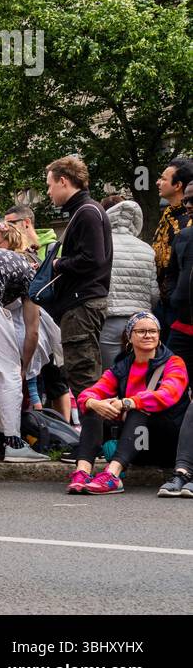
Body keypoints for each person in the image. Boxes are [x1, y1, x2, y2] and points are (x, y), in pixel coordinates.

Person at [68, 313, 189, 495]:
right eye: (141, 331)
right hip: (136, 445)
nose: (148, 335)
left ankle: (112, 475)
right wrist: (94, 403)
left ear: (159, 335)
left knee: (139, 409)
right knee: (92, 408)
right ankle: (82, 472)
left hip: (168, 442)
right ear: (129, 336)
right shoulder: (122, 366)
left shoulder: (174, 363)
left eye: (153, 331)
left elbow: (168, 395)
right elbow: (88, 393)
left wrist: (128, 402)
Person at [43, 156, 114, 406]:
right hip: (82, 302)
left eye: (50, 185)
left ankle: (92, 442)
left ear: (64, 181)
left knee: (83, 374)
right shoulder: (86, 211)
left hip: (81, 304)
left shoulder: (86, 212)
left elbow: (92, 259)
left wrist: (57, 264)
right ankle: (93, 439)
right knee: (84, 372)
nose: (49, 191)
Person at [0, 238, 51, 462]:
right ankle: (13, 443)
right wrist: (24, 368)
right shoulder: (31, 276)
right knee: (8, 374)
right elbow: (33, 331)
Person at [100, 198, 158, 370]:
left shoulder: (100, 245)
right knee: (139, 374)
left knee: (110, 375)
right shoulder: (147, 249)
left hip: (108, 320)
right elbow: (154, 294)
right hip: (141, 322)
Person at [154, 159, 193, 332]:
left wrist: (175, 297)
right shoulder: (167, 215)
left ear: (177, 185)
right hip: (164, 304)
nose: (158, 182)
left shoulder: (188, 220)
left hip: (180, 308)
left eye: (163, 178)